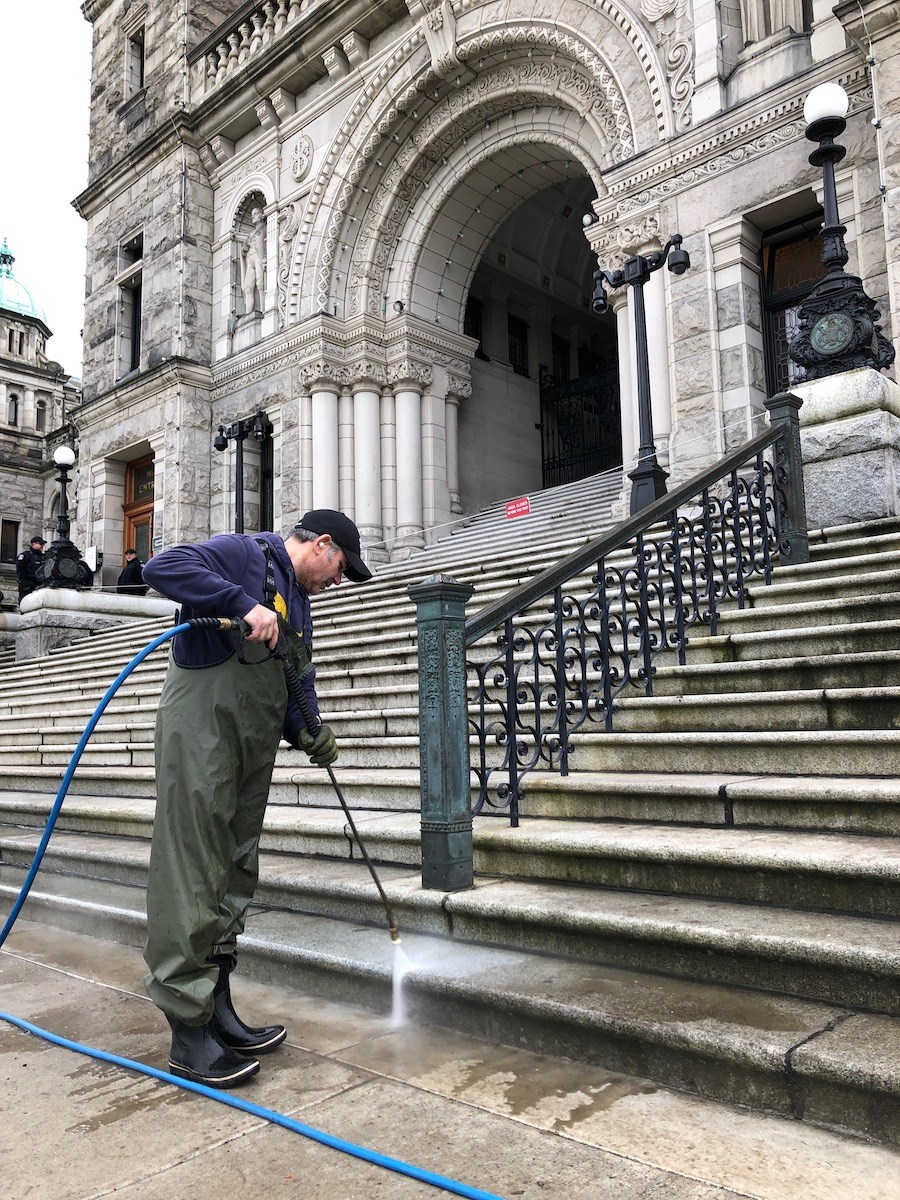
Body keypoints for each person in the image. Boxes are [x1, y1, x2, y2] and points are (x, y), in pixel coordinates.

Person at [141, 510, 372, 1088]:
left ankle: (217, 1010)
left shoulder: (299, 601)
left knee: (235, 866)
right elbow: (162, 565)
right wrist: (242, 605)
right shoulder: (245, 555)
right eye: (340, 568)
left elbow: (294, 675)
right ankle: (187, 1031)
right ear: (321, 544)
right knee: (193, 865)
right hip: (203, 729)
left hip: (253, 738)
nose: (337, 581)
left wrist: (310, 728)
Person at [240, 205, 266, 314]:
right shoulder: (251, 233)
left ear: (261, 215)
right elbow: (243, 249)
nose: (252, 217)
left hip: (259, 257)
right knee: (248, 287)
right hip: (250, 259)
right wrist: (244, 249)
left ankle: (263, 309)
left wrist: (266, 257)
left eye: (255, 214)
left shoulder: (266, 227)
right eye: (252, 215)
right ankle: (248, 313)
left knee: (260, 284)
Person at [16, 536, 46, 605]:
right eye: (40, 544)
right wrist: (26, 585)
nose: (42, 546)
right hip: (28, 587)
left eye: (42, 544)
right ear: (33, 544)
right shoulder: (25, 556)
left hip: (40, 586)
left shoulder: (44, 557)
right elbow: (20, 572)